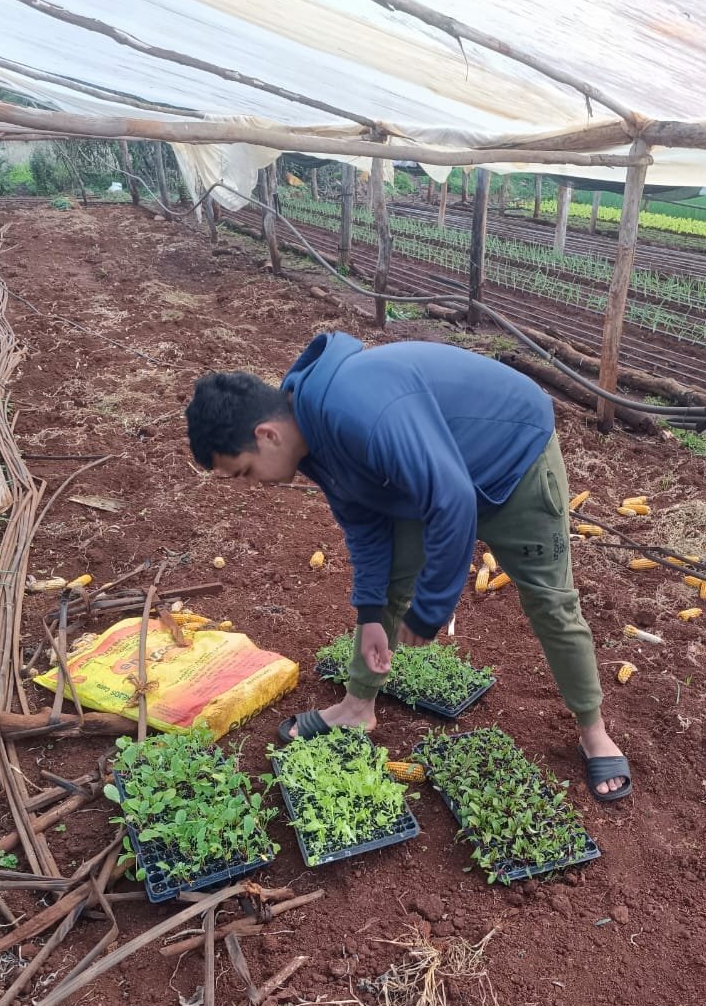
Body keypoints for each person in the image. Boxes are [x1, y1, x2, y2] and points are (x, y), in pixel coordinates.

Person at [185, 331, 631, 801]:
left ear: (266, 435)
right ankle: (357, 707)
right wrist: (371, 614)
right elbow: (365, 526)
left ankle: (593, 731)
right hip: (436, 471)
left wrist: (429, 612)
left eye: (244, 472)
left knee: (550, 603)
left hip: (512, 460)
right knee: (392, 584)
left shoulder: (359, 412)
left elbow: (454, 503)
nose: (252, 485)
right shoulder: (310, 443)